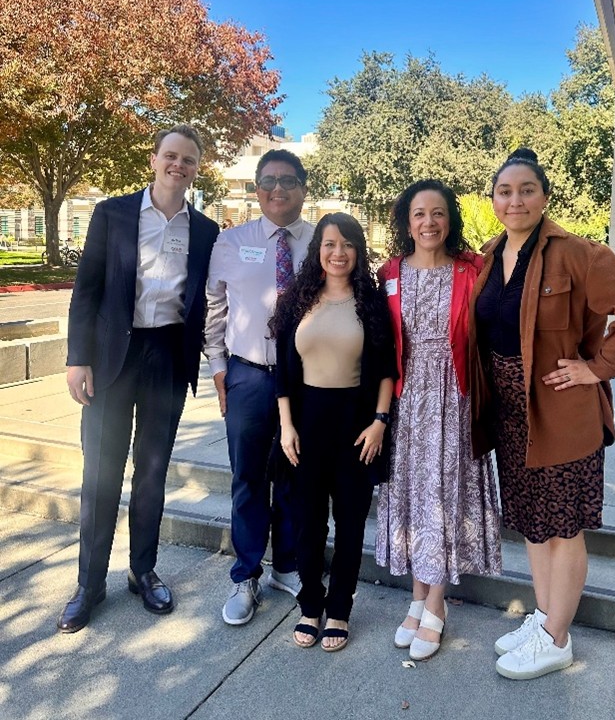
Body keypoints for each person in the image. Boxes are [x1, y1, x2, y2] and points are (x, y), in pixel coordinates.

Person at [470, 147, 615, 680]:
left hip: (562, 411)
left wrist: (597, 367)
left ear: (544, 196)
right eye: (505, 191)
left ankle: (557, 639)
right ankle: (544, 618)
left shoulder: (579, 254)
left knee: (564, 527)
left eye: (526, 189)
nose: (515, 200)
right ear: (494, 200)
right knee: (534, 524)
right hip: (510, 413)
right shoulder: (488, 256)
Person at [59, 125, 219, 633]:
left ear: (197, 169)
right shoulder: (113, 213)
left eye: (189, 160)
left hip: (167, 355)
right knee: (101, 472)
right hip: (111, 358)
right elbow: (86, 289)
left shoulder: (206, 231)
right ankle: (90, 582)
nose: (179, 166)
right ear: (154, 159)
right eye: (171, 156)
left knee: (151, 471)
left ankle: (143, 571)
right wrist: (76, 358)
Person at [375, 179, 502, 661]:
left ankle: (435, 603)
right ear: (406, 223)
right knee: (414, 495)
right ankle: (416, 598)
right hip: (408, 399)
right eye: (419, 214)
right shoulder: (390, 272)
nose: (429, 222)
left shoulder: (472, 270)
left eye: (438, 213)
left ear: (450, 219)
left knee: (441, 496)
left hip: (454, 394)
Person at [270, 213, 395, 652]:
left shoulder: (371, 304)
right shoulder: (297, 301)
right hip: (305, 426)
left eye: (346, 244)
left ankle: (339, 609)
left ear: (357, 251)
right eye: (329, 244)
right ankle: (310, 604)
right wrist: (286, 427)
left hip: (356, 427)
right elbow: (283, 372)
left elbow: (385, 371)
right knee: (307, 523)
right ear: (317, 250)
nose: (337, 252)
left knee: (350, 523)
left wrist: (379, 423)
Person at [204, 149, 314, 625]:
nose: (277, 189)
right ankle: (245, 573)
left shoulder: (321, 240)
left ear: (303, 188)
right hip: (248, 373)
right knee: (248, 476)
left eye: (288, 180)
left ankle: (286, 566)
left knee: (294, 473)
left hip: (308, 377)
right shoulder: (231, 242)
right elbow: (214, 309)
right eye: (267, 180)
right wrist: (218, 366)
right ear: (255, 187)